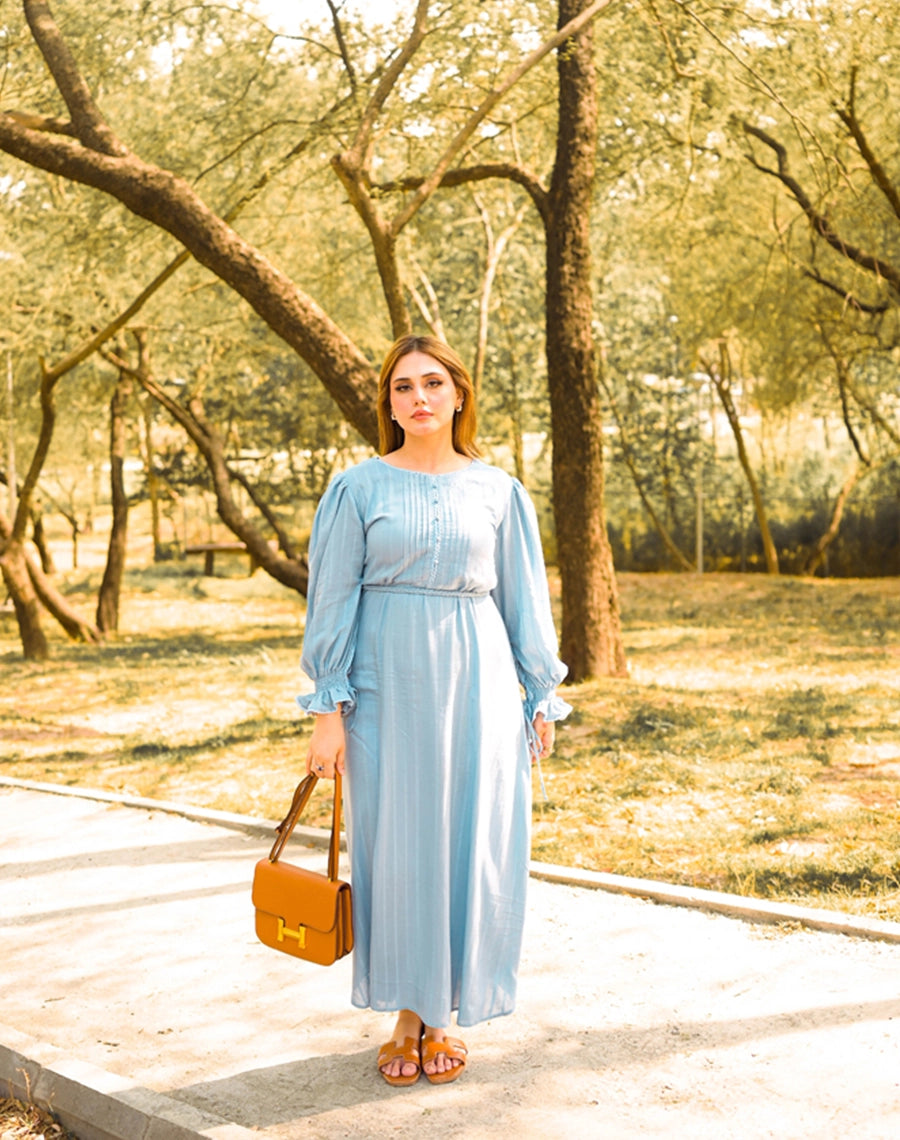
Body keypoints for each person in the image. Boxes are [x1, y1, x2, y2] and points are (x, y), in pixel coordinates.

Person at [298, 334, 570, 1086]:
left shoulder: (499, 490)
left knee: (469, 842)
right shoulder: (356, 490)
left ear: (458, 394)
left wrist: (539, 692)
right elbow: (331, 603)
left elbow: (523, 597)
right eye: (401, 388)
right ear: (388, 404)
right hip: (385, 685)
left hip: (479, 685)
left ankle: (443, 1013)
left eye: (431, 384)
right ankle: (406, 1015)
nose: (417, 398)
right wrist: (328, 710)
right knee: (396, 848)